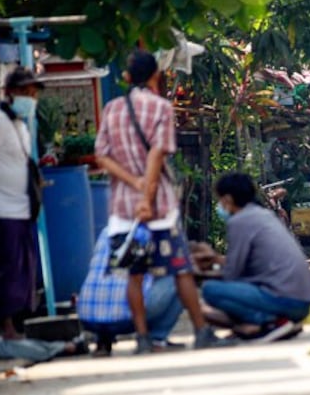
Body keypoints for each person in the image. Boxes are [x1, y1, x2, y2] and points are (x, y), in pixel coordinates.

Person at [94, 50, 230, 354]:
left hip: (122, 209)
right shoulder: (161, 108)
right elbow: (156, 154)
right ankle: (201, 331)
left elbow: (101, 155)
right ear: (156, 75)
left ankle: (142, 339)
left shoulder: (112, 109)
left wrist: (132, 183)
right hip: (159, 209)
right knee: (180, 269)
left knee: (133, 273)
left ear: (127, 78)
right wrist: (147, 195)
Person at [196, 173, 310, 341]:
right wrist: (216, 260)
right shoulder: (262, 215)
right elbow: (251, 262)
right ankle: (272, 322)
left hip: (285, 299)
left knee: (211, 290)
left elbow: (233, 273)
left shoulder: (240, 221)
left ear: (227, 199)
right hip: (304, 302)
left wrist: (197, 275)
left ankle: (269, 322)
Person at [0, 66, 43, 339]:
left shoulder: (20, 125)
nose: (31, 97)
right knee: (3, 270)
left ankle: (16, 325)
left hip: (21, 209)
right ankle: (5, 327)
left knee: (21, 270)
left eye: (33, 92)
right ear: (9, 93)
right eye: (25, 92)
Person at [78, 228, 184, 357]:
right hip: (128, 319)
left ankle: (103, 341)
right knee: (180, 279)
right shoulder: (150, 232)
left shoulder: (107, 231)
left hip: (88, 318)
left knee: (111, 284)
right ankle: (156, 338)